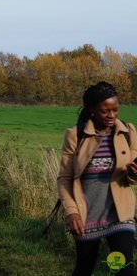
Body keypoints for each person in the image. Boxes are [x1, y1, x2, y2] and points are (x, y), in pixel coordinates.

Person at [57, 81, 137, 275]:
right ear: (91, 109)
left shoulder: (127, 133)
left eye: (115, 109)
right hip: (87, 215)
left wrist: (134, 173)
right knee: (85, 268)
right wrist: (71, 212)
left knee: (123, 269)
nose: (111, 115)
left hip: (120, 215)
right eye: (105, 111)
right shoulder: (76, 135)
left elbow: (131, 178)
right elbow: (65, 179)